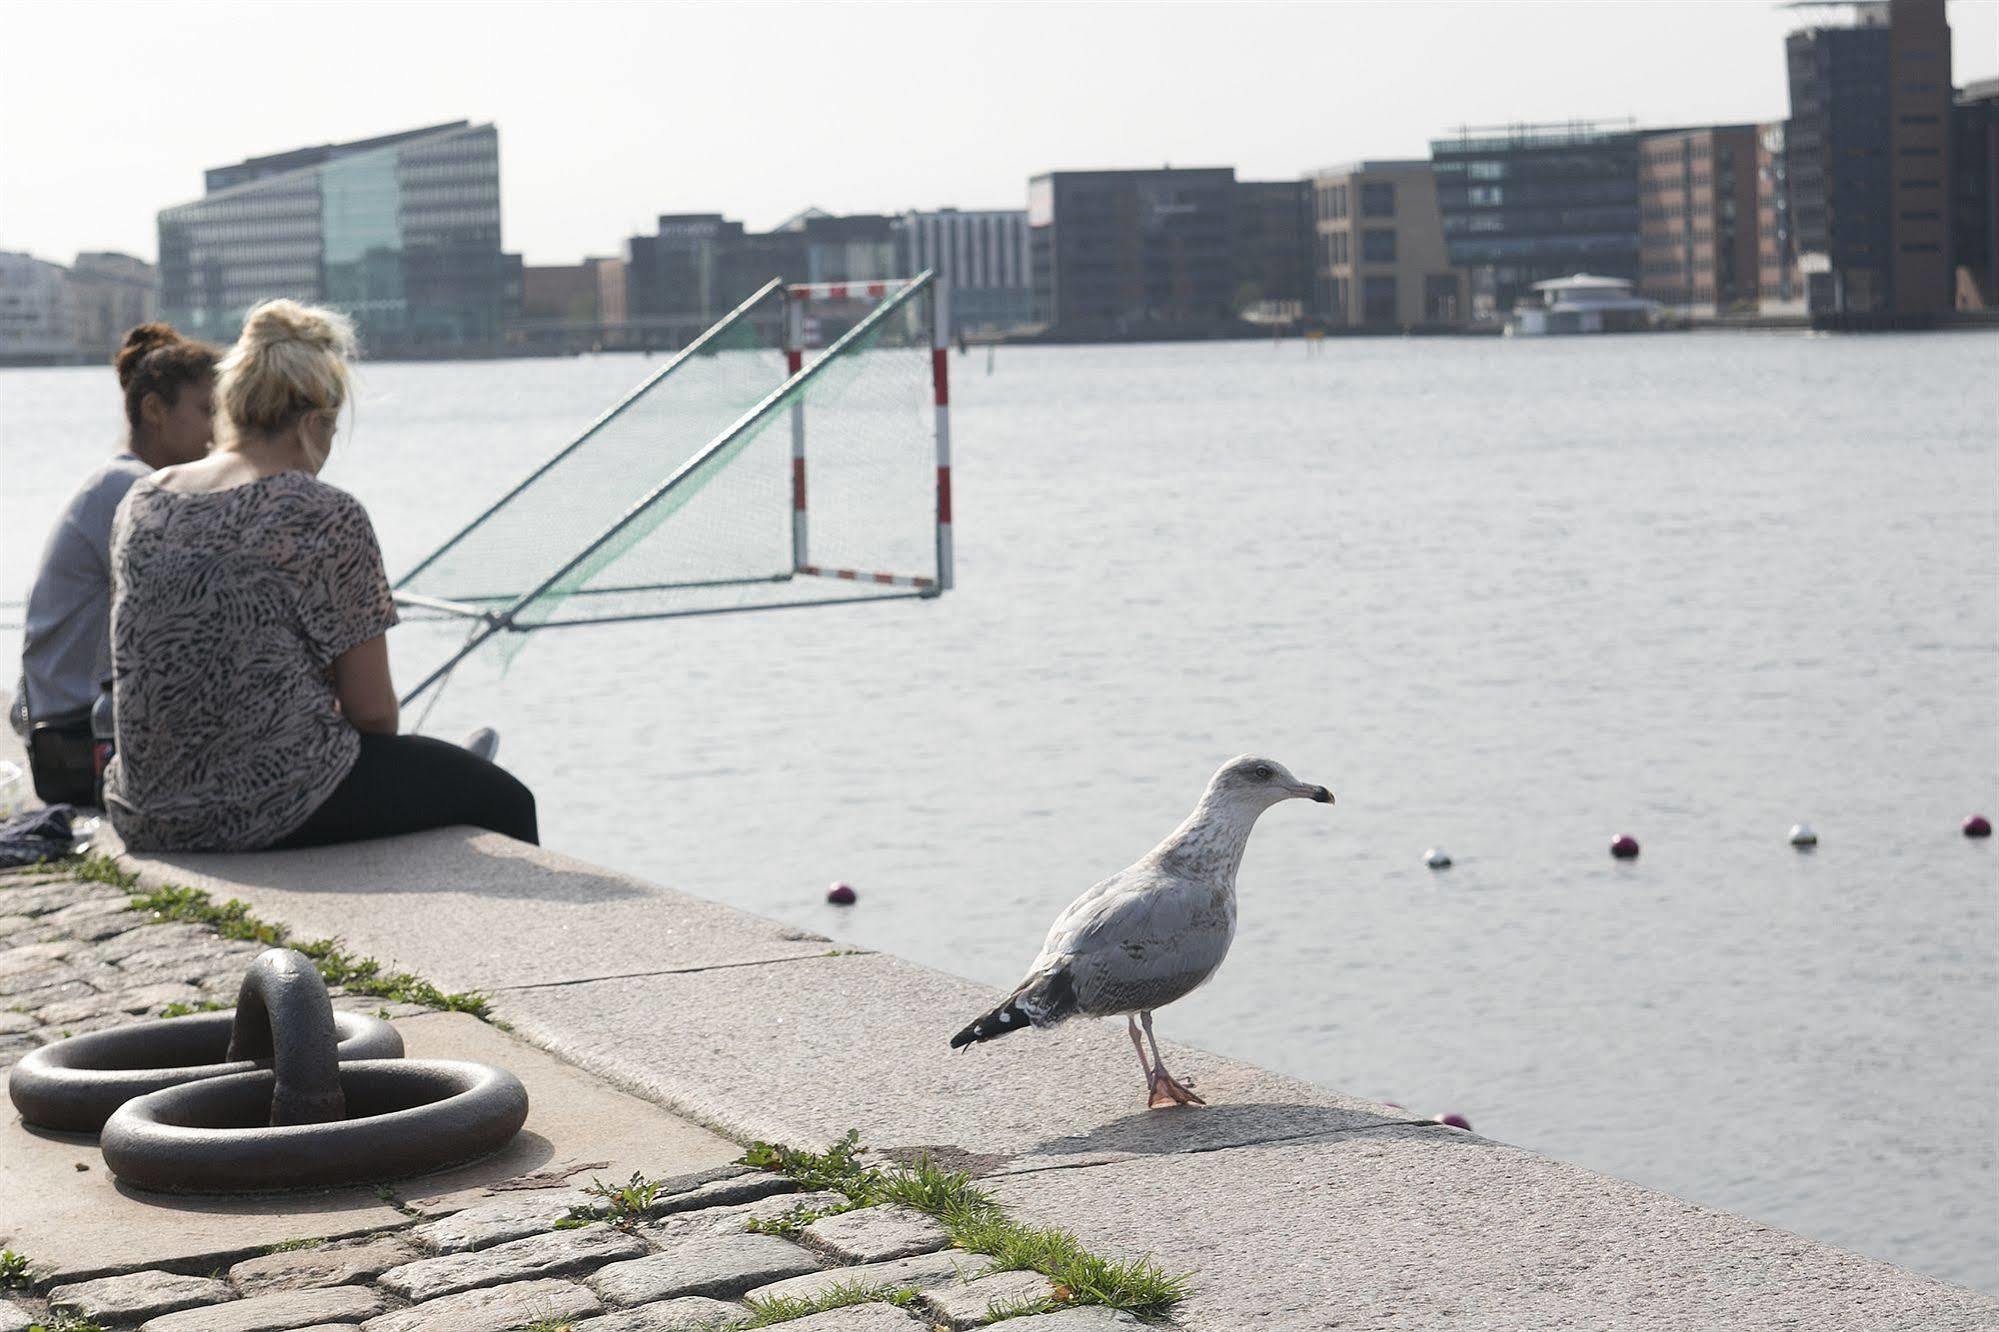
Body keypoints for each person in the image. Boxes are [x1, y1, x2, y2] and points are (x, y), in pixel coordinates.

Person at [102, 298, 537, 851]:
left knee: (441, 770)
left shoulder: (144, 498)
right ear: (314, 423)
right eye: (331, 433)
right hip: (263, 806)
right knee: (505, 798)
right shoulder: (325, 511)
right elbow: (374, 714)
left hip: (144, 810)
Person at [11, 323, 218, 805]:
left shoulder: (118, 480)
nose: (217, 430)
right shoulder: (132, 491)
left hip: (67, 729)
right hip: (82, 741)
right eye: (207, 410)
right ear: (154, 411)